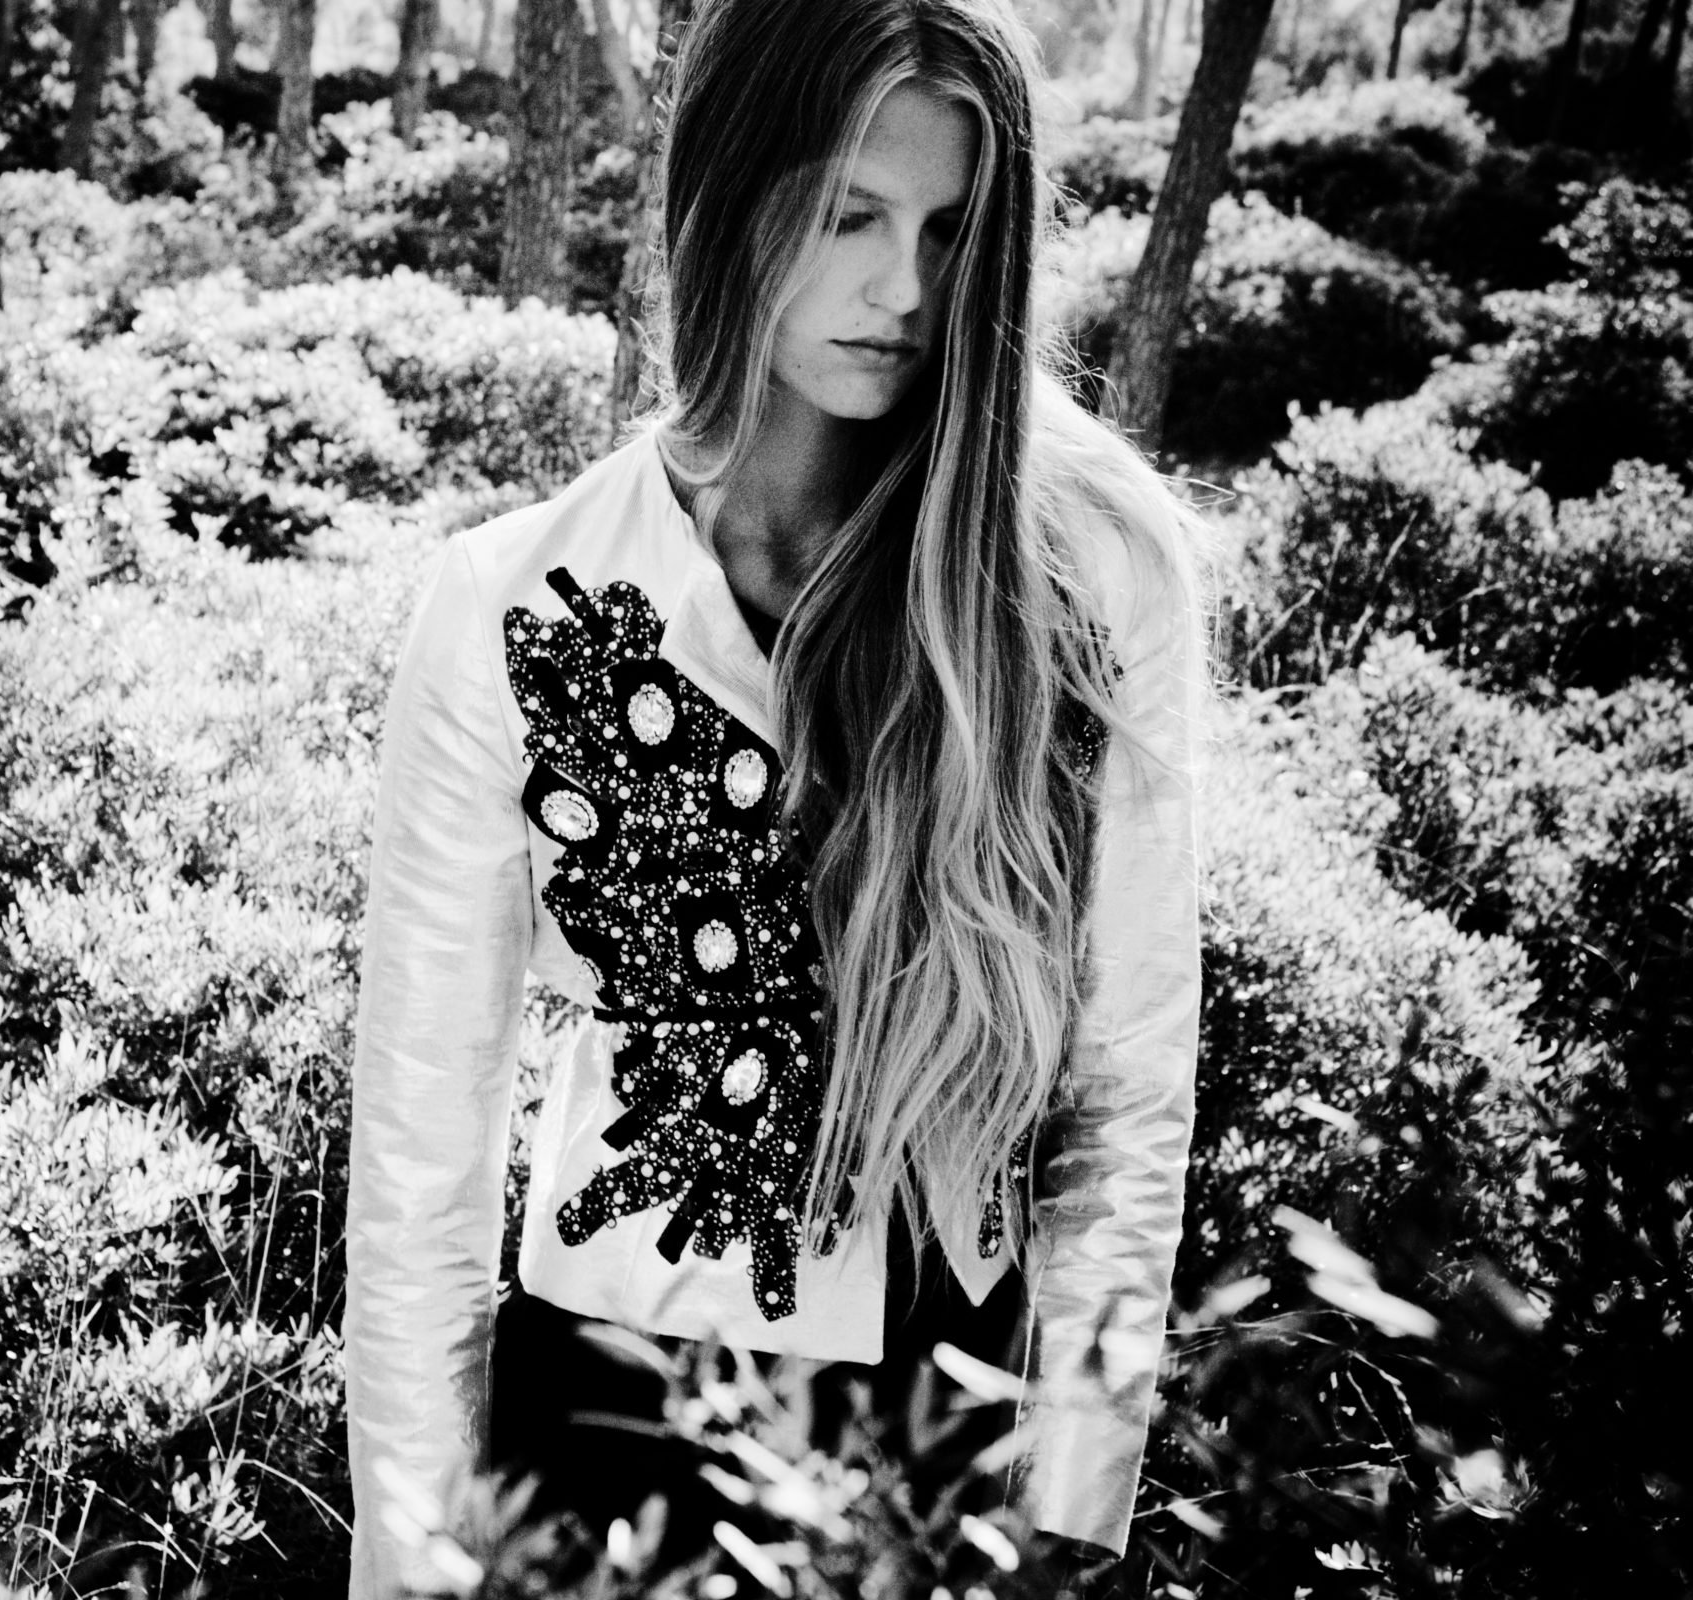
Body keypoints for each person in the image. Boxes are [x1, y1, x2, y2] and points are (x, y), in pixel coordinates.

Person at [342, 0, 1207, 1592]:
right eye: (848, 216)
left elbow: (1126, 1103)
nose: (907, 290)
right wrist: (414, 1567)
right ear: (727, 198)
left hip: (950, 1435)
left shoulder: (1089, 578)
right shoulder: (514, 604)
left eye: (950, 229)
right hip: (611, 1430)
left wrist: (1075, 1520)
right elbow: (419, 1173)